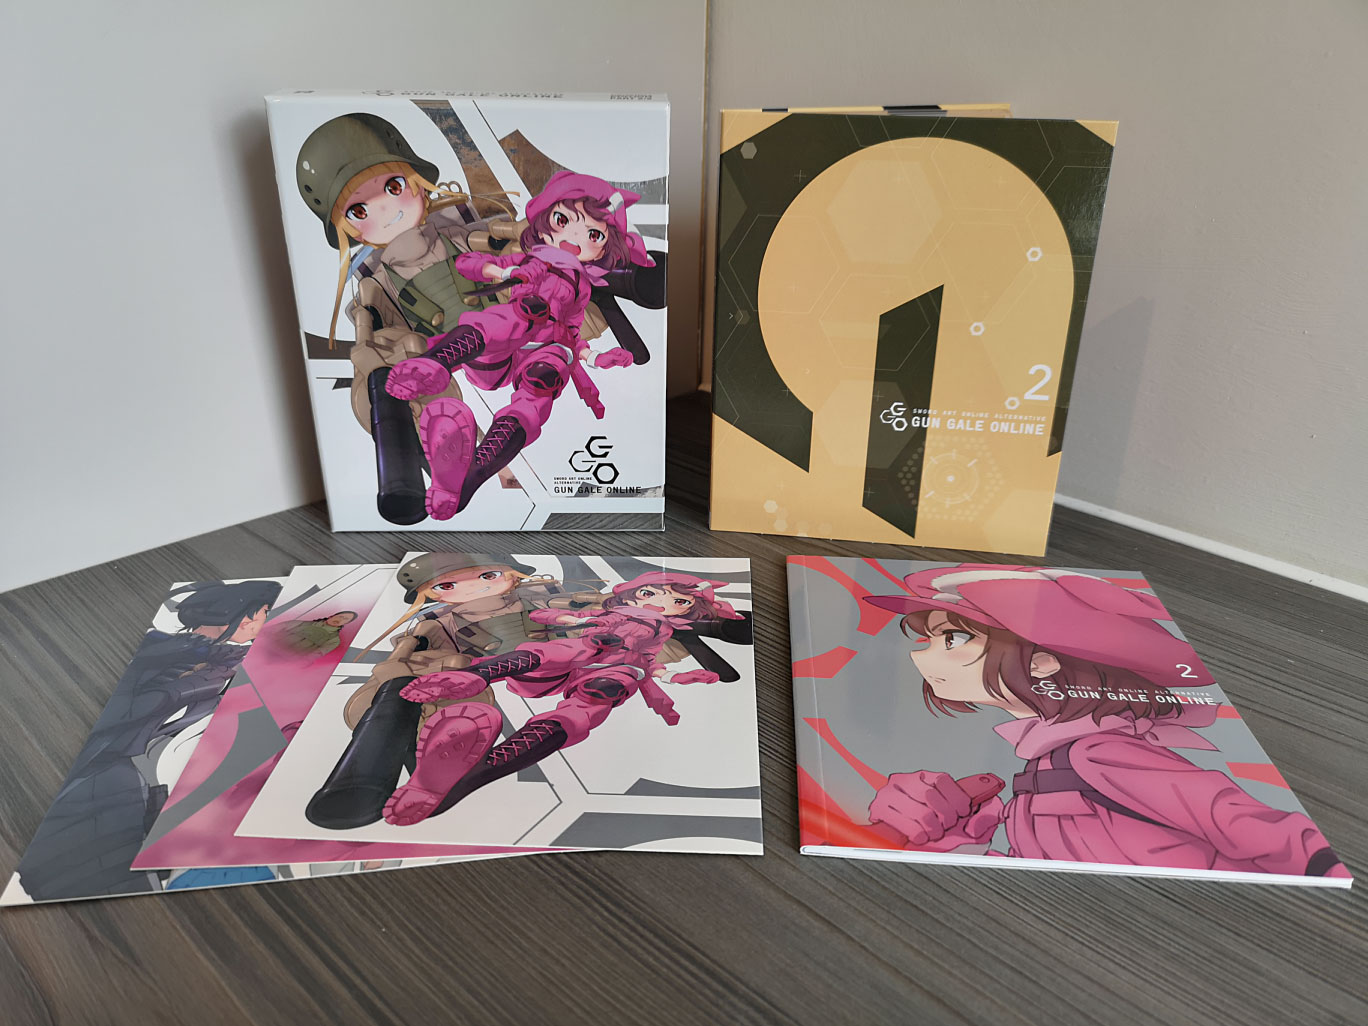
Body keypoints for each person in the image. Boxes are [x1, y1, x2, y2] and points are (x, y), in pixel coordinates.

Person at [861, 565, 1348, 879]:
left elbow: (1236, 819)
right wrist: (956, 844)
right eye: (929, 640)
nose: (920, 657)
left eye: (952, 639)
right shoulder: (1046, 765)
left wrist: (1320, 866)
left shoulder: (1099, 753)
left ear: (1042, 663)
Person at [382, 170, 662, 519]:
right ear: (544, 223)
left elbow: (573, 333)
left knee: (543, 384)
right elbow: (469, 263)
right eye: (563, 221)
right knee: (519, 315)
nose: (574, 239)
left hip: (546, 350)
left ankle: (469, 476)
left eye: (593, 234)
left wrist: (596, 358)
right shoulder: (531, 259)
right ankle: (435, 363)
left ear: (604, 249)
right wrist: (505, 273)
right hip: (499, 349)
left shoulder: (583, 288)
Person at [379, 572, 751, 826]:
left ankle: (468, 773)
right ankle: (471, 682)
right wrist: (567, 618)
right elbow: (566, 618)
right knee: (554, 653)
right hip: (583, 651)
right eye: (649, 593)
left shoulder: (662, 632)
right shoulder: (614, 614)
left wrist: (680, 681)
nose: (659, 602)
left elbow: (654, 668)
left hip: (616, 670)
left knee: (587, 702)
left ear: (688, 610)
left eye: (679, 600)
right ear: (632, 594)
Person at [16, 579, 282, 900]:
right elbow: (142, 707)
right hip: (111, 780)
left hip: (142, 778)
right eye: (262, 613)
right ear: (240, 614)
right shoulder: (170, 654)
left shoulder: (217, 659)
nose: (260, 623)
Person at [304, 553, 602, 829]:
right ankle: (389, 770)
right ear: (432, 594)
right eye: (447, 585)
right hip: (479, 673)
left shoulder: (543, 597)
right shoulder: (438, 623)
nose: (473, 587)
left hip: (559, 666)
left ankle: (437, 775)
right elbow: (416, 653)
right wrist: (397, 677)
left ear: (513, 575)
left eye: (489, 576)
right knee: (419, 676)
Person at [273, 610, 357, 657]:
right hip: (269, 649)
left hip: (285, 660)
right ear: (332, 616)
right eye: (340, 616)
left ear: (346, 623)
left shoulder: (334, 640)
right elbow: (270, 631)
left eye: (345, 619)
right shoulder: (299, 623)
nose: (341, 619)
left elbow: (314, 655)